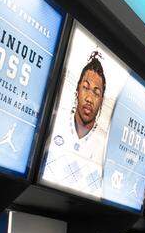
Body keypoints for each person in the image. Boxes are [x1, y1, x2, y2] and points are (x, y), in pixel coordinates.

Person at [44, 51, 109, 193]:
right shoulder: (54, 123)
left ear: (101, 100)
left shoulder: (106, 145)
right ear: (77, 89)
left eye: (96, 93)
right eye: (86, 88)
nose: (89, 99)